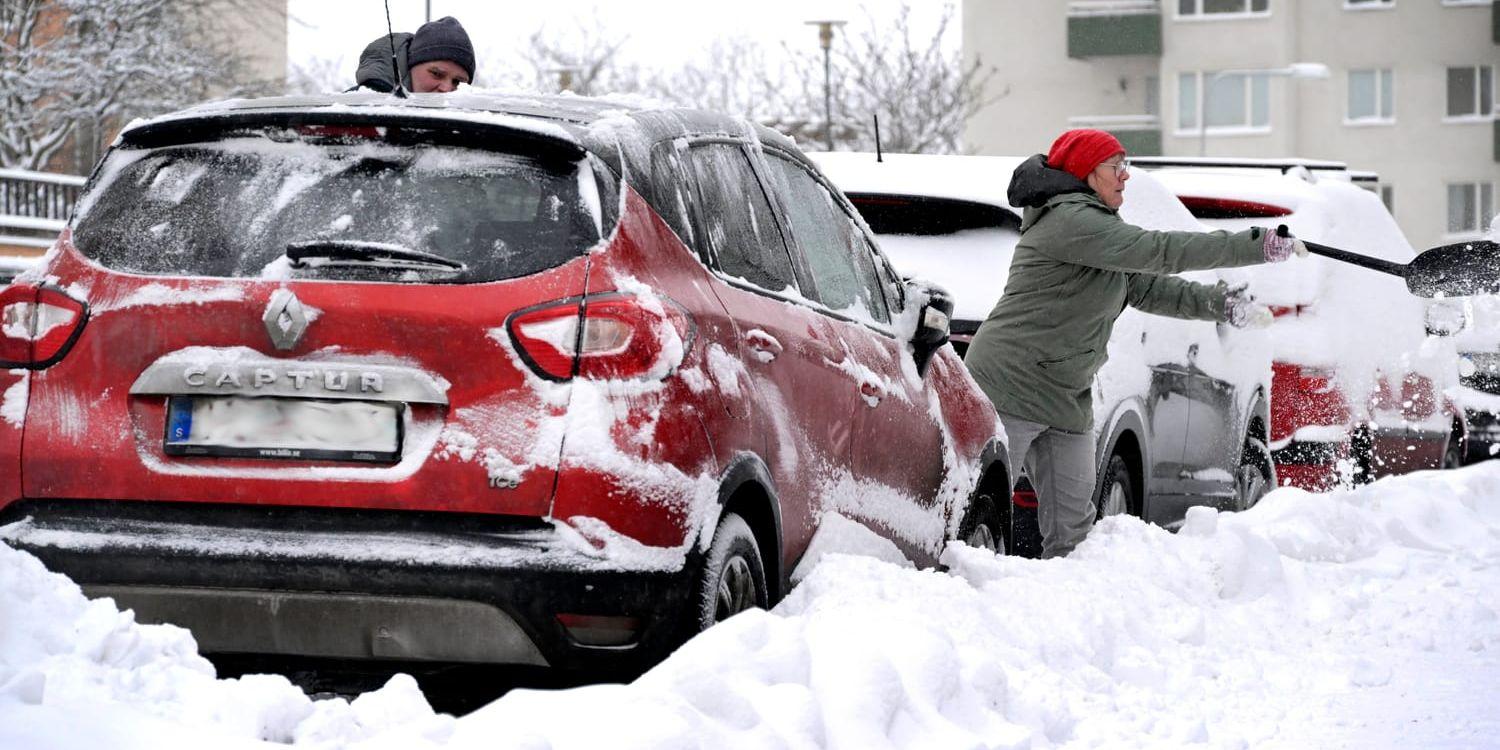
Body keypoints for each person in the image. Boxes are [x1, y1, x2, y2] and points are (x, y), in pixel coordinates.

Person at [963, 128, 1306, 559]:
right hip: (1010, 384)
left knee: (1073, 539)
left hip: (1065, 396)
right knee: (976, 514)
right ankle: (948, 601)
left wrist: (1221, 305)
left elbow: (1145, 289)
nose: (1125, 176)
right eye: (1116, 166)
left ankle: (1060, 619)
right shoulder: (1071, 220)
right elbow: (1160, 250)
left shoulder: (1100, 228)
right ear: (1088, 173)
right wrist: (1254, 245)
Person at [352, 16, 475, 94]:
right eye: (437, 74)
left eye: (457, 82)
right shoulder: (352, 111)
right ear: (409, 66)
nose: (446, 89)